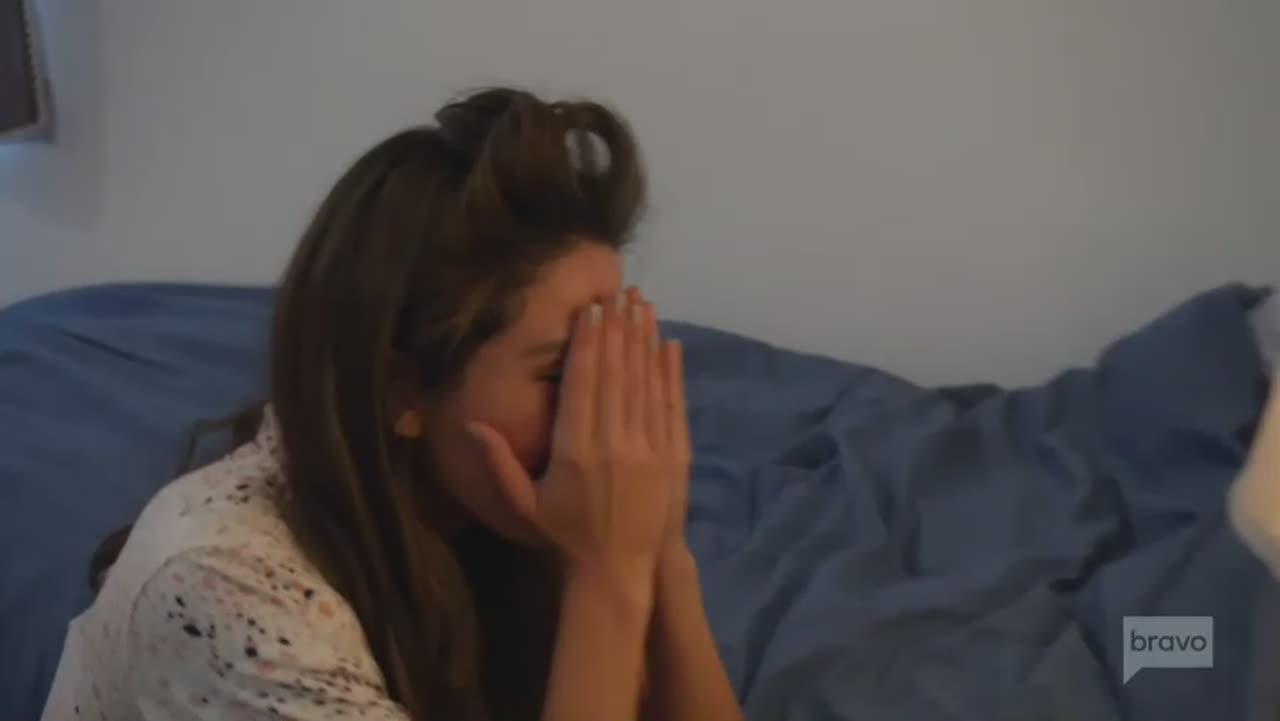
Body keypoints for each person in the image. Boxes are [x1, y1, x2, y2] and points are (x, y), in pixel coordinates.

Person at [39, 87, 743, 721]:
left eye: (614, 359)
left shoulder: (489, 514)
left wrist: (659, 550)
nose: (605, 420)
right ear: (399, 386)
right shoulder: (224, 591)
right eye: (564, 371)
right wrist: (606, 577)